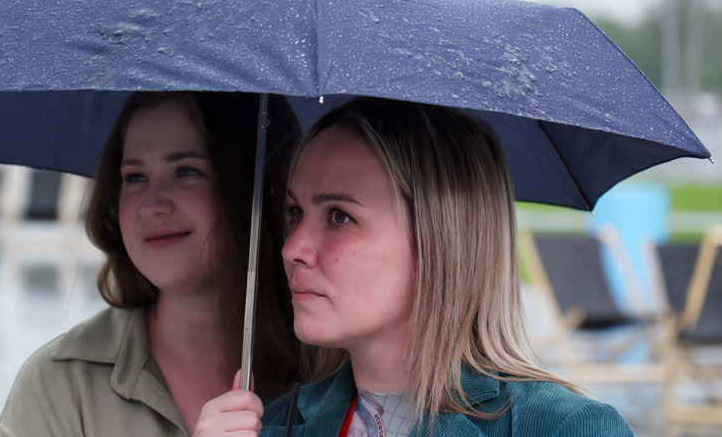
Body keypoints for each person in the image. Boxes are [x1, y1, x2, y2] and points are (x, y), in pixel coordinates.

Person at [249, 97, 632, 436]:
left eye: (339, 216)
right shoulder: (267, 425)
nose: (292, 248)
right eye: (294, 213)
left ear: (440, 238)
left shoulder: (566, 428)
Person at [0, 92, 322, 436]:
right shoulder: (57, 385)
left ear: (256, 184)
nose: (153, 204)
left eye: (186, 171)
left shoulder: (337, 372)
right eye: (135, 177)